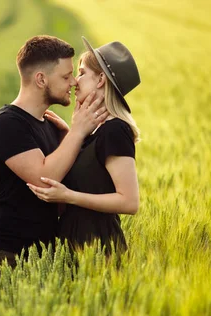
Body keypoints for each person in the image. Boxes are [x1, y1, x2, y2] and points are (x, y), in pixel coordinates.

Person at [0, 35, 108, 297]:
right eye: (67, 76)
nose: (74, 82)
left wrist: (69, 134)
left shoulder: (50, 126)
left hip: (40, 256)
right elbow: (44, 180)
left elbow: (64, 186)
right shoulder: (7, 124)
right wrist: (78, 131)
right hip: (2, 257)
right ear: (41, 79)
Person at [28, 37, 141, 257]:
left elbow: (129, 202)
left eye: (81, 73)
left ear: (100, 79)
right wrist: (71, 135)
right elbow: (93, 176)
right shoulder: (95, 132)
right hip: (76, 245)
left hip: (99, 250)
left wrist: (68, 196)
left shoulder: (115, 130)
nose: (74, 81)